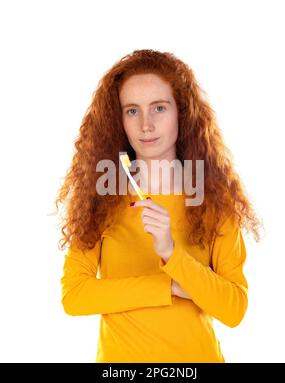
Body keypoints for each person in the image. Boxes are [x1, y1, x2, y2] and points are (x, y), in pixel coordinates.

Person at [55, 49, 262, 362]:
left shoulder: (213, 199)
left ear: (182, 112)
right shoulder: (100, 198)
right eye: (132, 111)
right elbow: (75, 296)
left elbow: (233, 309)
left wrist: (171, 252)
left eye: (159, 108)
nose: (146, 125)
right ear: (118, 119)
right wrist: (167, 286)